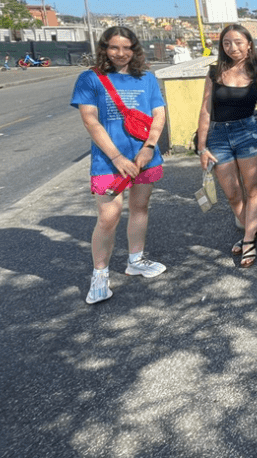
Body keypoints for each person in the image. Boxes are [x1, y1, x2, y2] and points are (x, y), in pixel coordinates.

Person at [71, 26, 167, 305]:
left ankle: (135, 260)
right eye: (114, 47)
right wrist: (116, 157)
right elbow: (91, 121)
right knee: (108, 217)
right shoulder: (90, 79)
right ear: (105, 48)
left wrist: (149, 147)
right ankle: (99, 275)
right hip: (109, 161)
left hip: (144, 158)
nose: (121, 53)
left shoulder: (147, 78)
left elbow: (158, 114)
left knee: (140, 208)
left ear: (135, 49)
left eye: (127, 48)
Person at [195, 24, 257, 268]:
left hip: (247, 132)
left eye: (238, 42)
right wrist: (201, 146)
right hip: (218, 136)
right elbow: (206, 109)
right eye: (227, 43)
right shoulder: (214, 71)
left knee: (252, 189)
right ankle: (249, 229)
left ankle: (249, 238)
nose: (233, 47)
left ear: (249, 43)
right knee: (231, 192)